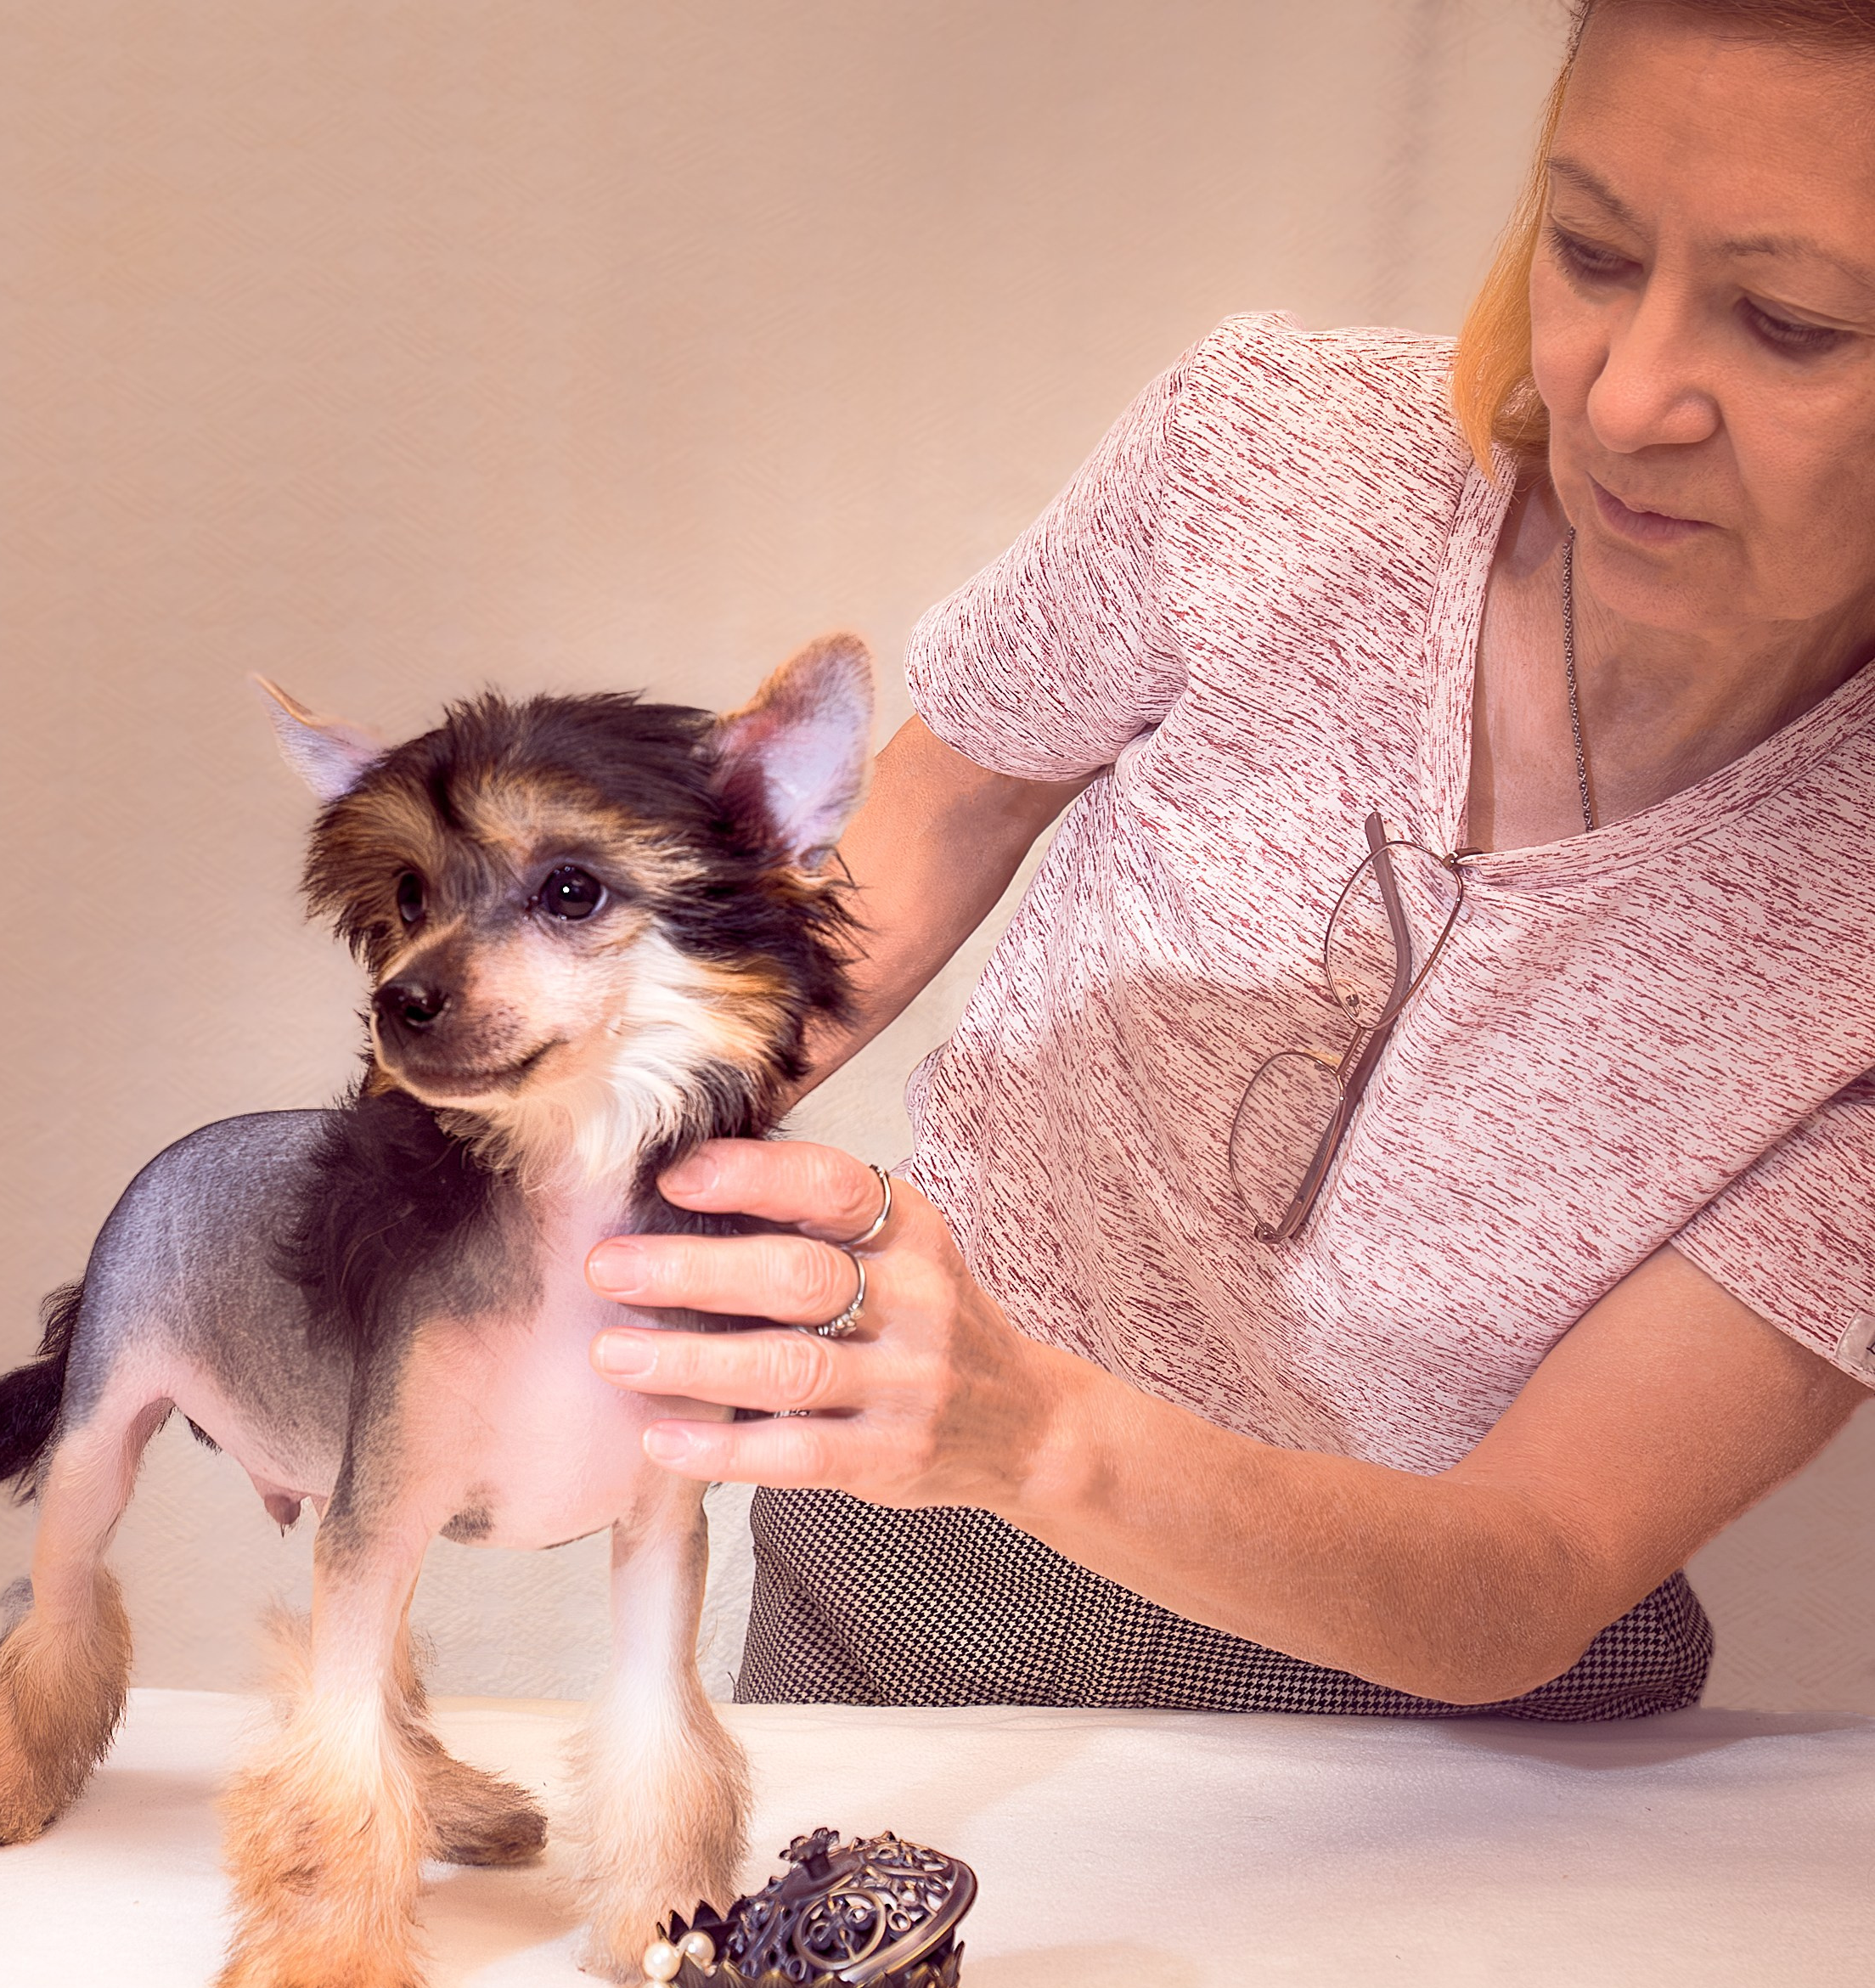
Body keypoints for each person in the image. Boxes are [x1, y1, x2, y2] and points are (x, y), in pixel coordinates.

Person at [585, 0, 1875, 1719]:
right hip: (901, 1548)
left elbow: (1533, 1569)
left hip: (1410, 1740)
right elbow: (946, 799)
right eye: (1589, 247)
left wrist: (1032, 1428)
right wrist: (591, 1162)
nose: (1628, 395)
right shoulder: (1276, 459)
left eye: (1789, 324)